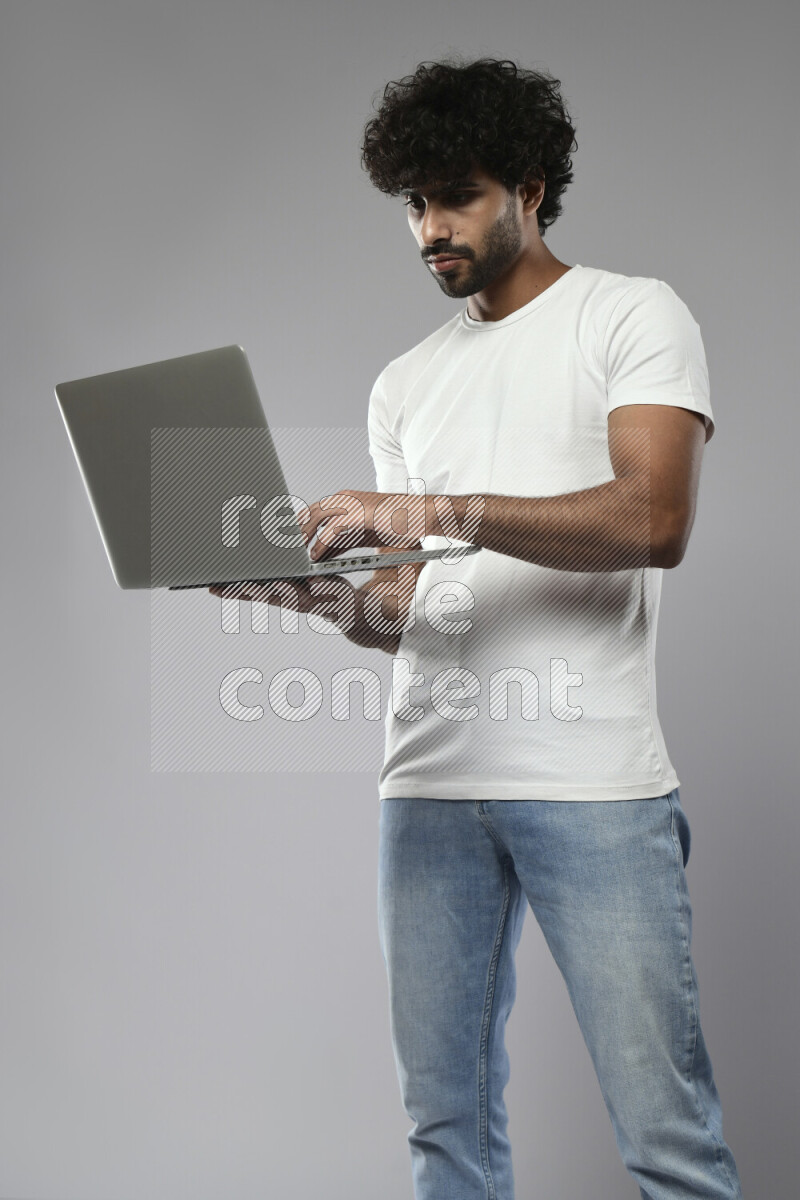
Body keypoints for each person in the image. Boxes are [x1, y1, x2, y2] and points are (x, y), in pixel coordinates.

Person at [211, 56, 743, 1200]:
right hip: (428, 790)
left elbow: (653, 519)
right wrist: (282, 588)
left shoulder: (630, 314)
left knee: (668, 1144)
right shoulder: (404, 384)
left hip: (592, 786)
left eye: (454, 197)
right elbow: (406, 609)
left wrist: (432, 511)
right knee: (445, 1136)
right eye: (412, 203)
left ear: (530, 190)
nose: (428, 230)